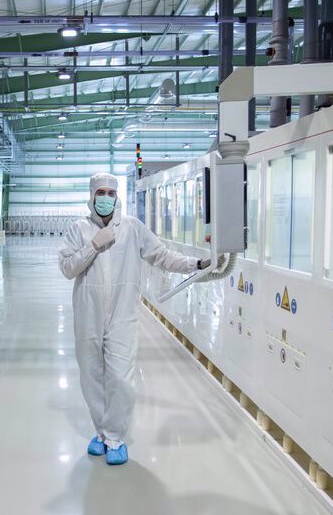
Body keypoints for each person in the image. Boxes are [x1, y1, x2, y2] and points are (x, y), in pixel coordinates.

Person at [58, 174, 226, 465]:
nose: (106, 197)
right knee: (90, 376)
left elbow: (161, 256)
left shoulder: (132, 228)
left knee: (121, 379)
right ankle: (102, 433)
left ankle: (115, 437)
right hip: (88, 316)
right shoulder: (78, 229)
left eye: (111, 192)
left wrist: (196, 264)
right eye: (101, 192)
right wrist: (93, 246)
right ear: (92, 195)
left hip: (122, 316)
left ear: (117, 195)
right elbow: (67, 268)